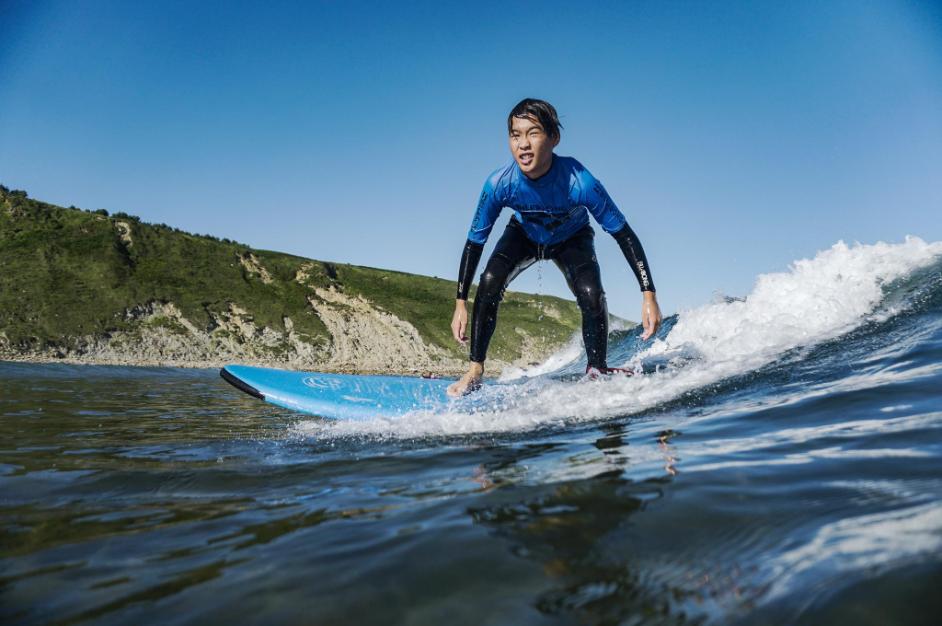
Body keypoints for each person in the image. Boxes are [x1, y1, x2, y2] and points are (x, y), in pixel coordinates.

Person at [447, 98, 662, 397]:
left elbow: (624, 234)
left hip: (572, 237)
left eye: (533, 133)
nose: (523, 144)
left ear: (553, 138)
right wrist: (460, 303)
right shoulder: (499, 184)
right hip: (524, 233)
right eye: (515, 134)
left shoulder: (580, 181)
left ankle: (596, 369)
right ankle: (475, 369)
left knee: (591, 293)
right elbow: (474, 242)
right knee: (489, 281)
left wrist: (648, 294)